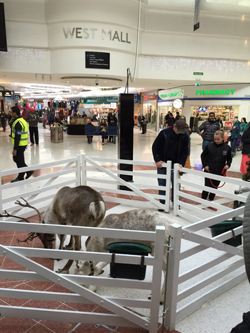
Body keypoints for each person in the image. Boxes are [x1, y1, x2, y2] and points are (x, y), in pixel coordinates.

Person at [152, 119, 188, 209]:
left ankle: (176, 203)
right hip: (163, 163)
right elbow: (155, 146)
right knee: (162, 183)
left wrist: (181, 163)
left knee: (176, 184)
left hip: (175, 165)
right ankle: (162, 204)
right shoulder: (164, 133)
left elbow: (184, 151)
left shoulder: (184, 136)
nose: (180, 133)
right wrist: (157, 160)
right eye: (178, 130)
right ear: (174, 126)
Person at [201, 130, 232, 210]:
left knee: (215, 188)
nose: (216, 141)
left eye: (218, 139)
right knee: (207, 187)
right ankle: (203, 203)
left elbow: (229, 158)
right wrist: (205, 165)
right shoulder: (209, 146)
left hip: (219, 171)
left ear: (223, 138)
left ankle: (211, 202)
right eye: (215, 139)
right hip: (209, 170)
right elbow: (203, 155)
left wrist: (228, 165)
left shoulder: (227, 148)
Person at [9, 106, 34, 183]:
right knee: (20, 159)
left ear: (15, 113)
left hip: (19, 145)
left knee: (17, 159)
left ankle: (25, 173)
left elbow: (18, 136)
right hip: (22, 144)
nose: (10, 113)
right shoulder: (22, 120)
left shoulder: (18, 123)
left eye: (11, 112)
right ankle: (22, 175)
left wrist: (15, 149)